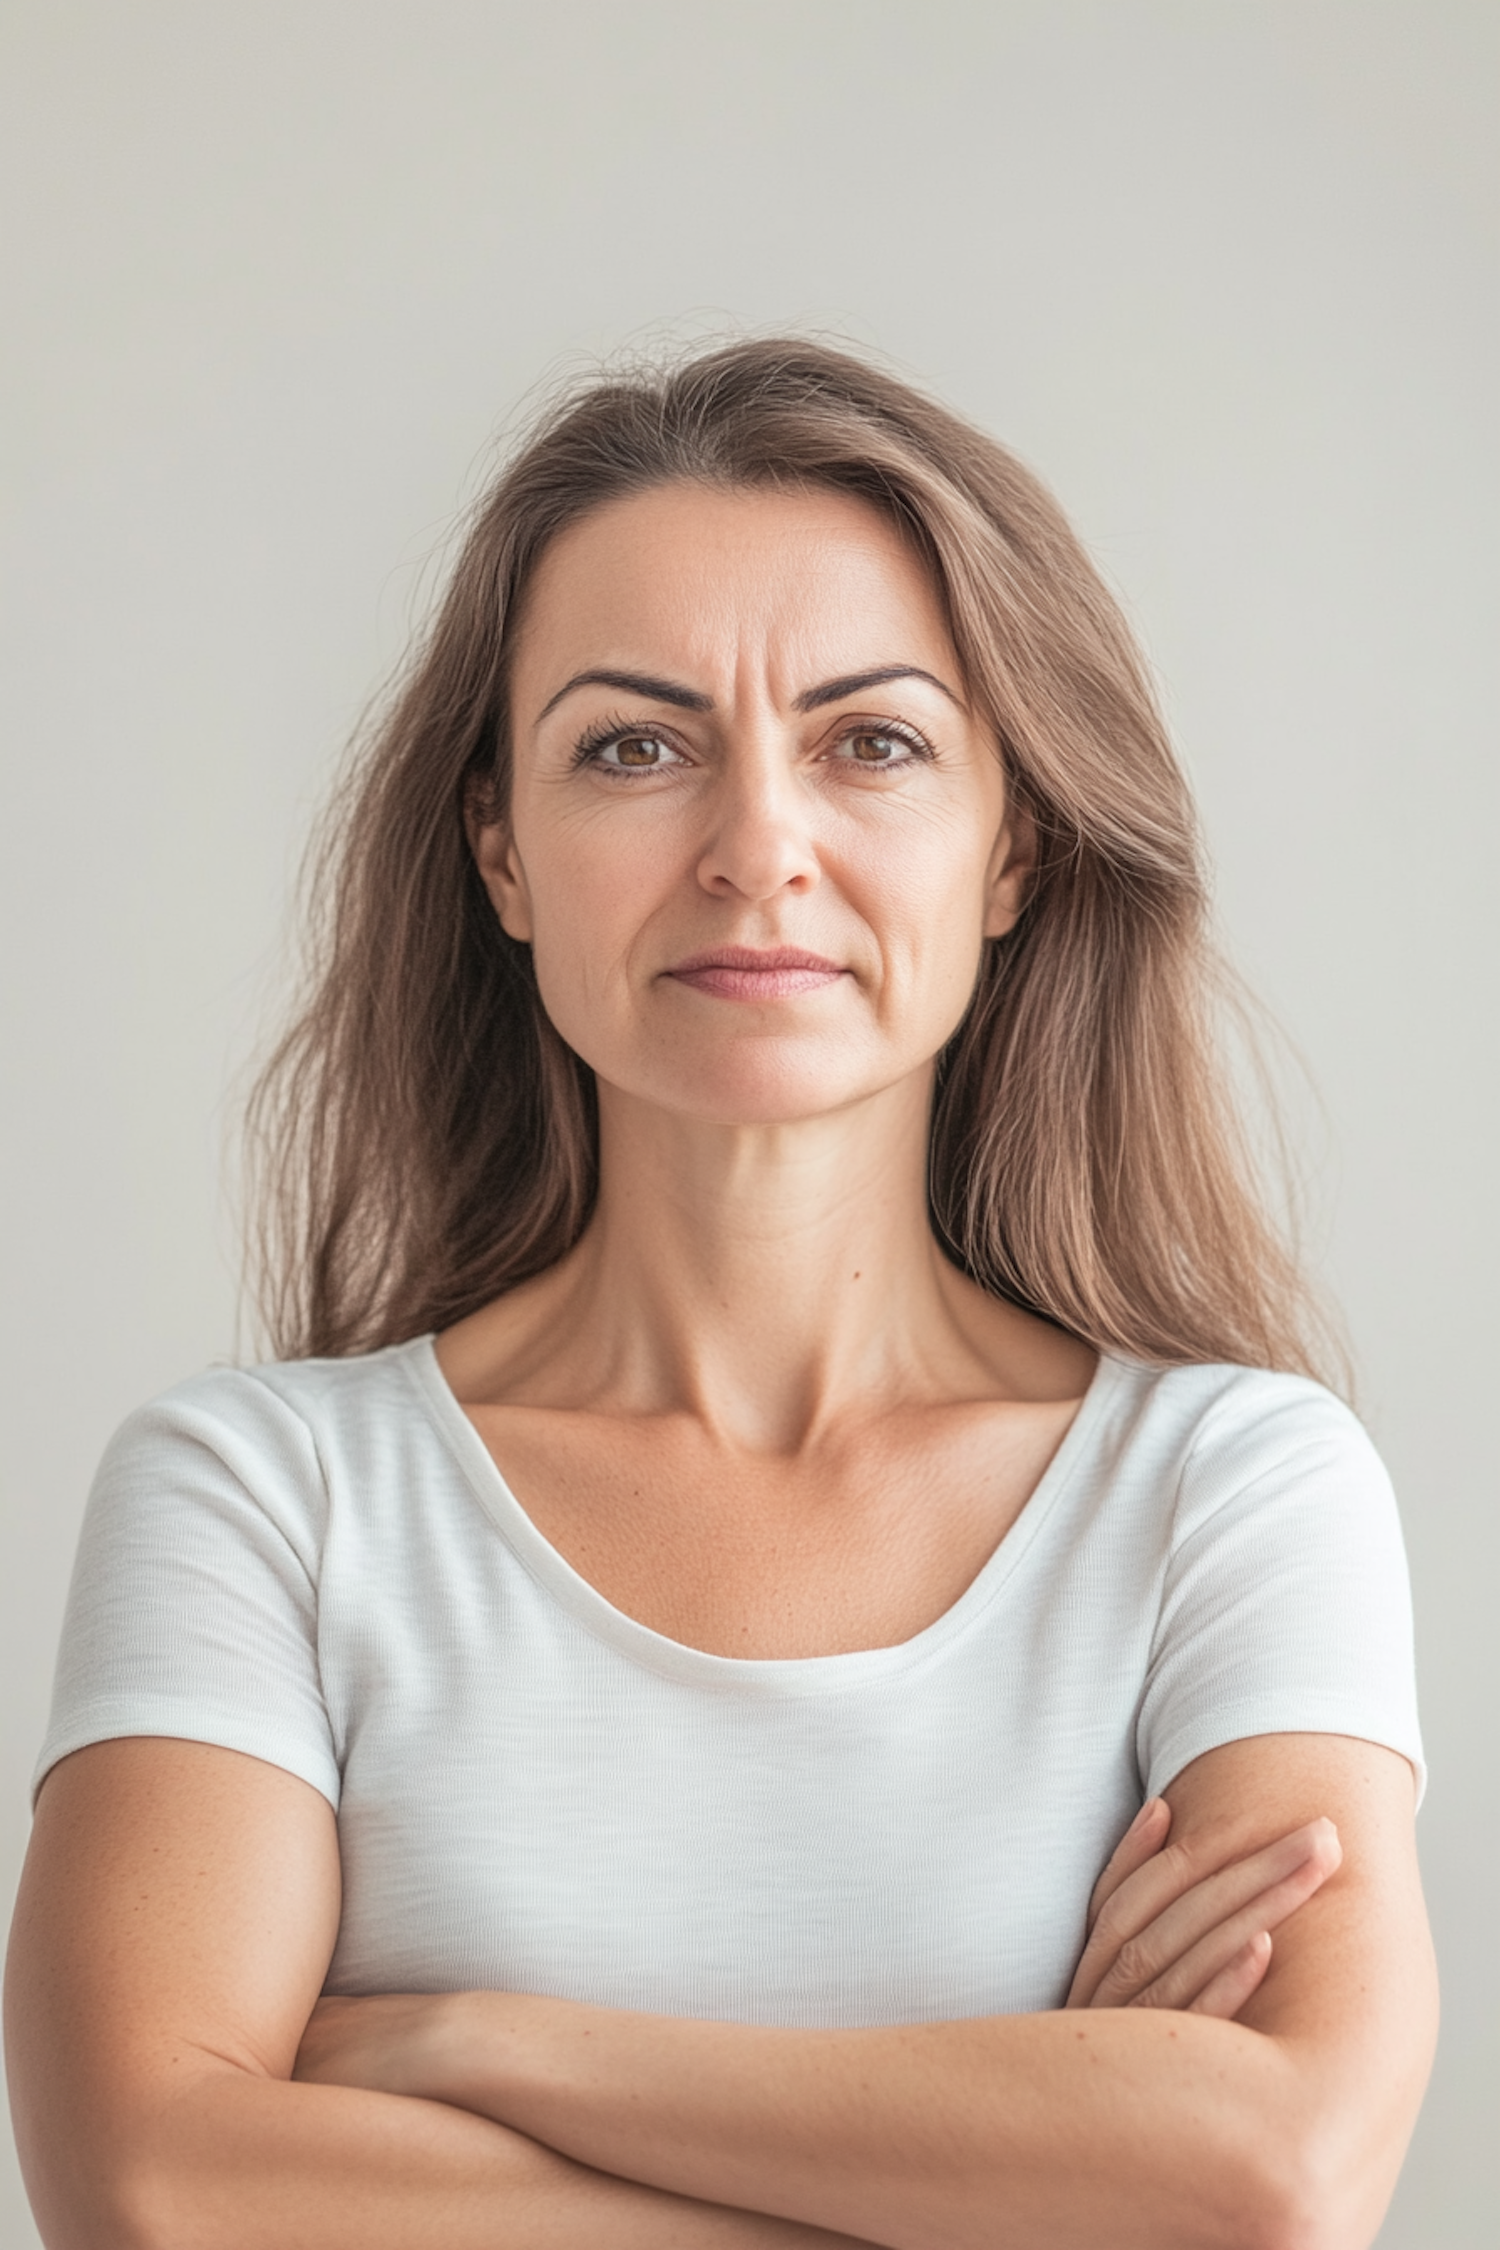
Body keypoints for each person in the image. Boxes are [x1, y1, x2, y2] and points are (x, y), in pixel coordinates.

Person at [5, 339, 1435, 2250]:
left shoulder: (1228, 1490)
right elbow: (164, 2190)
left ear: (1011, 843)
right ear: (502, 849)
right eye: (633, 744)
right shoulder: (266, 1494)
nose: (759, 846)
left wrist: (484, 2041)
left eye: (872, 740)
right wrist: (1032, 2173)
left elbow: (1275, 2172)